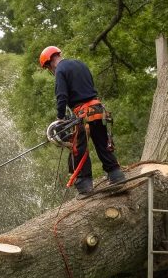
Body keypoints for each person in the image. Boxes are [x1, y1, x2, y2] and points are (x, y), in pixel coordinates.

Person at [39, 46, 125, 195]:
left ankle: (84, 184)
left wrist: (60, 119)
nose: (50, 70)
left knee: (78, 148)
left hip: (83, 114)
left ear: (49, 62)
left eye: (48, 68)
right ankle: (116, 175)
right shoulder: (80, 64)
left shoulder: (60, 70)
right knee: (102, 143)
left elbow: (62, 96)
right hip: (98, 110)